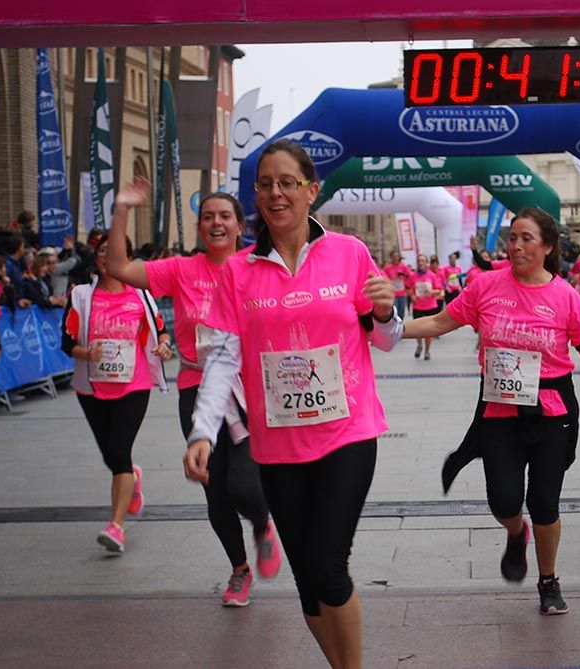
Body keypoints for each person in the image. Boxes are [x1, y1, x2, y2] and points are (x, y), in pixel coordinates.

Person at [183, 139, 401, 669]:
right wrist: (202, 431)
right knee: (306, 582)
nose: (275, 193)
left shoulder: (348, 253)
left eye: (286, 182)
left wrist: (387, 312)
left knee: (329, 565)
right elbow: (221, 359)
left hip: (347, 433)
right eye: (264, 183)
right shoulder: (238, 272)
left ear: (311, 190)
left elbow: (386, 338)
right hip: (277, 446)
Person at [401, 206, 580, 616]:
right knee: (503, 500)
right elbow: (440, 322)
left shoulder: (567, 298)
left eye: (526, 238)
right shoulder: (486, 286)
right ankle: (516, 533)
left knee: (545, 502)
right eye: (512, 237)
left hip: (553, 414)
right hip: (499, 412)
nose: (515, 245)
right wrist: (385, 329)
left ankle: (548, 581)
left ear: (548, 246)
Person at [106, 178, 281, 607]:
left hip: (248, 390)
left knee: (243, 485)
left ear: (240, 226)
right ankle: (240, 571)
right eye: (208, 218)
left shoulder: (255, 266)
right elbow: (118, 268)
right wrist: (124, 209)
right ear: (200, 228)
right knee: (214, 490)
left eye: (225, 216)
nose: (216, 223)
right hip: (196, 388)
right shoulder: (181, 269)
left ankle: (261, 522)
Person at [61, 233, 171, 553]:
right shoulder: (81, 295)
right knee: (111, 455)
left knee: (119, 453)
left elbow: (160, 329)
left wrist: (163, 345)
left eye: (116, 252)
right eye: (103, 252)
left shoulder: (141, 294)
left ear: (127, 258)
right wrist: (86, 353)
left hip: (133, 386)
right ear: (96, 259)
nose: (108, 257)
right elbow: (66, 343)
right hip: (92, 388)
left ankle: (116, 526)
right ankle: (131, 480)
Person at [408, 253, 444, 360]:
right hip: (417, 306)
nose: (420, 263)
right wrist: (412, 296)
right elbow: (408, 287)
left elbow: (440, 290)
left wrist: (432, 291)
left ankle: (427, 351)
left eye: (423, 261)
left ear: (426, 263)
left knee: (428, 331)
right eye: (419, 261)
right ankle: (419, 345)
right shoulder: (413, 275)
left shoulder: (431, 275)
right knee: (417, 330)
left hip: (430, 306)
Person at [383, 250, 412, 318]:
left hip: (402, 293)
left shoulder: (403, 267)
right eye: (394, 256)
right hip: (392, 293)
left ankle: (401, 325)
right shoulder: (387, 268)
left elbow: (410, 276)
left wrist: (404, 275)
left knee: (401, 311)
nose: (395, 258)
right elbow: (384, 277)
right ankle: (395, 325)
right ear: (391, 257)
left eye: (397, 256)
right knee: (394, 311)